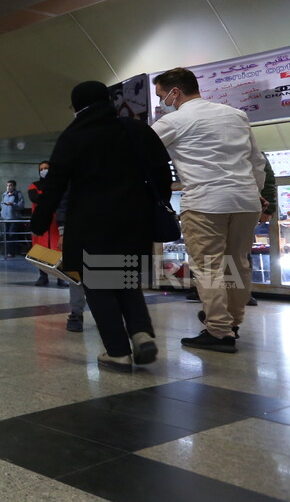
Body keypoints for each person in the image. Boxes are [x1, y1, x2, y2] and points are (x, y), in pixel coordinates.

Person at [32, 81, 173, 371]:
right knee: (124, 277)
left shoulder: (73, 136)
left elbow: (55, 185)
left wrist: (40, 220)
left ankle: (118, 351)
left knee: (98, 283)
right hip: (134, 219)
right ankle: (141, 332)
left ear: (77, 106)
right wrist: (151, 203)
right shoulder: (135, 129)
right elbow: (162, 172)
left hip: (91, 221)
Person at [152, 67, 267, 352]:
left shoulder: (173, 121)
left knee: (210, 267)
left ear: (175, 92)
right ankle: (233, 322)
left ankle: (218, 330)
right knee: (238, 263)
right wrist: (257, 191)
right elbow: (256, 161)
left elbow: (142, 154)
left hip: (205, 203)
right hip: (245, 201)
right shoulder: (236, 115)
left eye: (162, 95)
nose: (161, 102)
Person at [28, 162, 66, 287]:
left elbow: (62, 199)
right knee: (41, 250)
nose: (44, 170)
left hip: (56, 223)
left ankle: (61, 277)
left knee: (58, 250)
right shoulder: (35, 185)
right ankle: (43, 276)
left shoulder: (59, 184)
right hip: (41, 224)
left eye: (46, 168)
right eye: (41, 169)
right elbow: (35, 198)